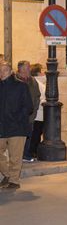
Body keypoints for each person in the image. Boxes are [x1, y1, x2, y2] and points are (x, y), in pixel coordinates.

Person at [0, 61, 33, 190]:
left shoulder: (21, 86)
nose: (2, 73)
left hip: (17, 127)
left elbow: (28, 107)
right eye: (0, 71)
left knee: (15, 156)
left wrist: (18, 118)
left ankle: (14, 180)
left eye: (4, 70)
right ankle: (7, 175)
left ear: (11, 71)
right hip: (2, 126)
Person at [16, 61, 40, 163]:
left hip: (30, 115)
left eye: (28, 68)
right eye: (26, 68)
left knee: (28, 136)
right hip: (17, 116)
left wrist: (34, 111)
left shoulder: (33, 81)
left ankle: (25, 154)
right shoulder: (14, 80)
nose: (28, 70)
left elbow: (37, 96)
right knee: (17, 138)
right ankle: (17, 156)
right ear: (20, 69)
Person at [28, 64, 46, 160]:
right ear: (39, 72)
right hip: (38, 113)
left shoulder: (39, 82)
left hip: (40, 113)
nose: (44, 72)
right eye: (43, 70)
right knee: (35, 134)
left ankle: (34, 151)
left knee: (37, 134)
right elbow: (38, 99)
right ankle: (32, 152)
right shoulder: (37, 83)